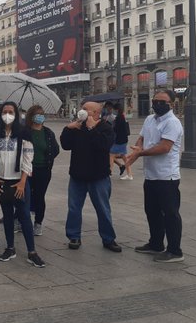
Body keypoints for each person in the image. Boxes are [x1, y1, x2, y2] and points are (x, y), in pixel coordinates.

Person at [125, 89, 184, 263]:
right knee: (151, 211)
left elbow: (165, 147)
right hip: (151, 175)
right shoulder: (150, 119)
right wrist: (136, 151)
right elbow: (141, 139)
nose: (157, 104)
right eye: (155, 100)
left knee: (170, 213)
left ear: (170, 104)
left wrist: (140, 154)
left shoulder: (173, 123)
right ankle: (156, 243)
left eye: (161, 101)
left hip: (167, 177)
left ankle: (175, 250)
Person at [0, 102, 45, 268]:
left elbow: (28, 159)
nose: (7, 114)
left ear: (16, 114)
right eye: (4, 111)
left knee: (24, 215)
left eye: (11, 111)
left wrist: (22, 182)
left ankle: (32, 252)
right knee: (7, 215)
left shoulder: (24, 133)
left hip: (19, 181)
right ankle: (10, 248)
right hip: (1, 181)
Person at [60, 101, 122, 253]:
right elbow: (65, 145)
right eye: (82, 109)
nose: (82, 111)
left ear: (95, 113)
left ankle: (108, 238)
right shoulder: (77, 126)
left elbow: (103, 145)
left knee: (103, 209)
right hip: (77, 175)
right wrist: (68, 129)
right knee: (74, 208)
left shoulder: (105, 127)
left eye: (86, 109)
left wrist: (92, 128)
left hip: (98, 176)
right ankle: (74, 236)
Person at [24, 105, 60, 236]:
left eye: (42, 114)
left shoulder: (48, 133)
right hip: (27, 170)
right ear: (31, 116)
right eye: (37, 114)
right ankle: (21, 220)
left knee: (39, 196)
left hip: (43, 170)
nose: (40, 116)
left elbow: (55, 149)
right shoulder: (25, 131)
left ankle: (38, 223)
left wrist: (47, 159)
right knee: (24, 196)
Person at [109, 105, 133, 180]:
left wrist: (112, 125)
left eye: (114, 110)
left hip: (118, 140)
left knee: (111, 156)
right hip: (123, 140)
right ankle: (129, 175)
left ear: (116, 110)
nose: (113, 111)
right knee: (124, 157)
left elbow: (116, 129)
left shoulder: (119, 118)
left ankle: (109, 173)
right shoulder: (122, 117)